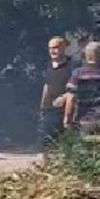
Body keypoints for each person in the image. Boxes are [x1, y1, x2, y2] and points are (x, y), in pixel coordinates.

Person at [63, 41, 100, 133]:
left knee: (85, 145)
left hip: (85, 119)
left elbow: (71, 98)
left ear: (86, 55)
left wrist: (68, 119)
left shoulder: (78, 74)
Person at [37, 36, 75, 167]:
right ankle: (44, 166)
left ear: (64, 48)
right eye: (50, 48)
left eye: (56, 47)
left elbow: (76, 88)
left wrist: (64, 97)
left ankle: (65, 167)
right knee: (44, 141)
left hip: (67, 111)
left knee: (64, 141)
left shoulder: (72, 67)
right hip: (49, 110)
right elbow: (47, 86)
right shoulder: (48, 66)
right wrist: (42, 106)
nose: (52, 51)